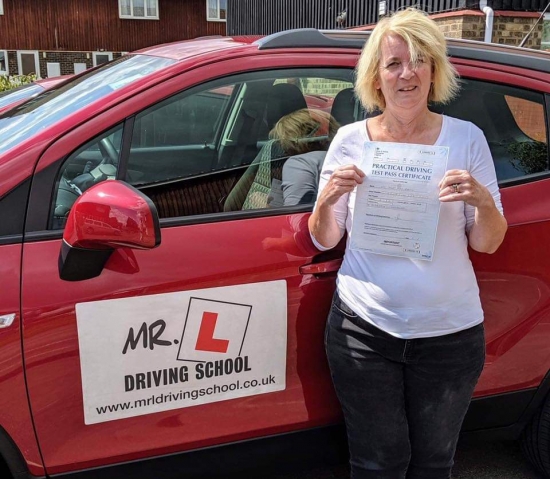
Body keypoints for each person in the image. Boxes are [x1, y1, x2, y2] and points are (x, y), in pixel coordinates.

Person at [308, 8, 507, 479]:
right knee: (377, 462)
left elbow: (488, 243)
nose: (407, 73)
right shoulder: (349, 141)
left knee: (435, 463)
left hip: (450, 335)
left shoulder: (466, 139)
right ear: (376, 76)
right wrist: (329, 198)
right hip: (364, 331)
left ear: (435, 70)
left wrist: (483, 201)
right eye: (393, 63)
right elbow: (325, 236)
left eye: (419, 60)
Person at [270, 108, 339, 206]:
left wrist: (266, 208)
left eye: (284, 141)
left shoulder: (300, 163)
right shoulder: (346, 159)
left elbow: (294, 216)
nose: (284, 149)